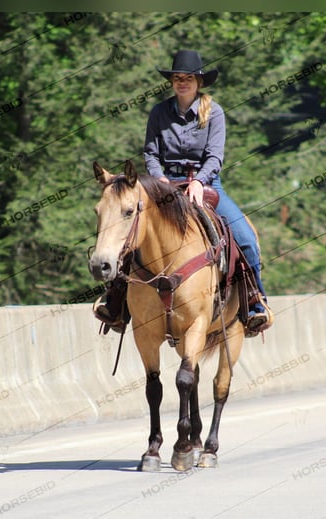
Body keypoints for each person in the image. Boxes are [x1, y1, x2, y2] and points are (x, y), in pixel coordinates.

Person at [93, 49, 273, 337]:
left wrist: (199, 182)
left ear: (199, 82)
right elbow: (150, 153)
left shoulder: (214, 112)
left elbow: (215, 156)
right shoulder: (159, 113)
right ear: (172, 82)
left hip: (206, 184)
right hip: (163, 185)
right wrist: (160, 178)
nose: (182, 83)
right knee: (132, 232)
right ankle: (115, 304)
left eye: (188, 78)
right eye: (177, 78)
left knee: (245, 238)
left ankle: (255, 303)